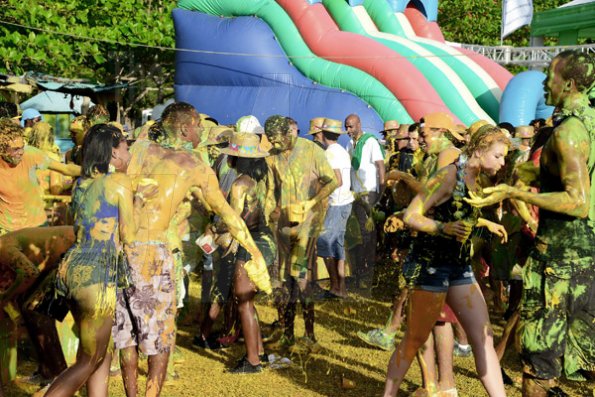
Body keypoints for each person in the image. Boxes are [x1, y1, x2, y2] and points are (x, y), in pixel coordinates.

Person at [113, 102, 269, 397]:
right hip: (155, 253)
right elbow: (227, 213)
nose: (201, 130)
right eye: (198, 125)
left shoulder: (137, 149)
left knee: (128, 336)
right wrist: (255, 252)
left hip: (123, 249)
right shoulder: (193, 164)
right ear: (185, 128)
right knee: (161, 335)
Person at [466, 50, 595, 396]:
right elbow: (575, 173)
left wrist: (515, 191)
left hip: (558, 264)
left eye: (550, 76)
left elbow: (578, 201)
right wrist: (533, 173)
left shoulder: (568, 132)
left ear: (568, 83)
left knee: (537, 370)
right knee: (586, 359)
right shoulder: (589, 122)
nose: (543, 83)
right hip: (583, 257)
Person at [384, 126, 510, 397]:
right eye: (498, 156)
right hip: (430, 267)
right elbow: (411, 215)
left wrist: (484, 224)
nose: (502, 163)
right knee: (413, 340)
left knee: (484, 337)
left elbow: (461, 216)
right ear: (479, 150)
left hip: (459, 268)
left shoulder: (475, 178)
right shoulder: (448, 175)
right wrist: (443, 228)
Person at [41, 124, 138, 397]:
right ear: (113, 153)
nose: (129, 153)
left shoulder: (82, 184)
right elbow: (128, 235)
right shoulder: (120, 182)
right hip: (98, 276)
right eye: (126, 148)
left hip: (71, 269)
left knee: (101, 354)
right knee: (88, 359)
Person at [264, 115, 337, 350]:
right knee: (283, 283)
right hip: (282, 228)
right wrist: (268, 218)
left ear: (288, 134)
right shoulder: (272, 158)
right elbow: (269, 192)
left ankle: (309, 335)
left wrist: (311, 202)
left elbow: (333, 181)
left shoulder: (311, 150)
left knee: (302, 279)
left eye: (276, 140)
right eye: (270, 141)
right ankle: (287, 333)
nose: (273, 145)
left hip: (307, 227)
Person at [218, 132, 276, 373]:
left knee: (243, 300)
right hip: (267, 240)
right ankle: (258, 351)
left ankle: (253, 361)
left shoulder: (240, 184)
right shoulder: (265, 178)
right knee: (248, 301)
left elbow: (232, 221)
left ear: (238, 159)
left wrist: (215, 226)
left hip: (250, 244)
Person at [0, 119, 80, 235]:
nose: (21, 152)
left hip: (38, 226)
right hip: (7, 230)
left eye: (22, 147)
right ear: (2, 149)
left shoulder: (31, 154)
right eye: (15, 149)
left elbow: (66, 169)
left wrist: (92, 170)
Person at [345, 113, 385, 288]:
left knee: (369, 234)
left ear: (359, 124)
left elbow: (380, 166)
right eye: (346, 127)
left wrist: (381, 189)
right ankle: (361, 272)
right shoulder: (349, 143)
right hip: (356, 194)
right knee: (359, 234)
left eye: (351, 126)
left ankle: (369, 275)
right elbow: (349, 168)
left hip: (369, 193)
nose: (348, 130)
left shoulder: (370, 142)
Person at [315, 119, 353, 299]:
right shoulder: (342, 151)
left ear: (322, 135)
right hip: (345, 201)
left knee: (323, 244)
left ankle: (335, 286)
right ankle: (341, 288)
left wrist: (318, 197)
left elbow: (337, 180)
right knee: (338, 246)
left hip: (336, 203)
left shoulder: (330, 153)